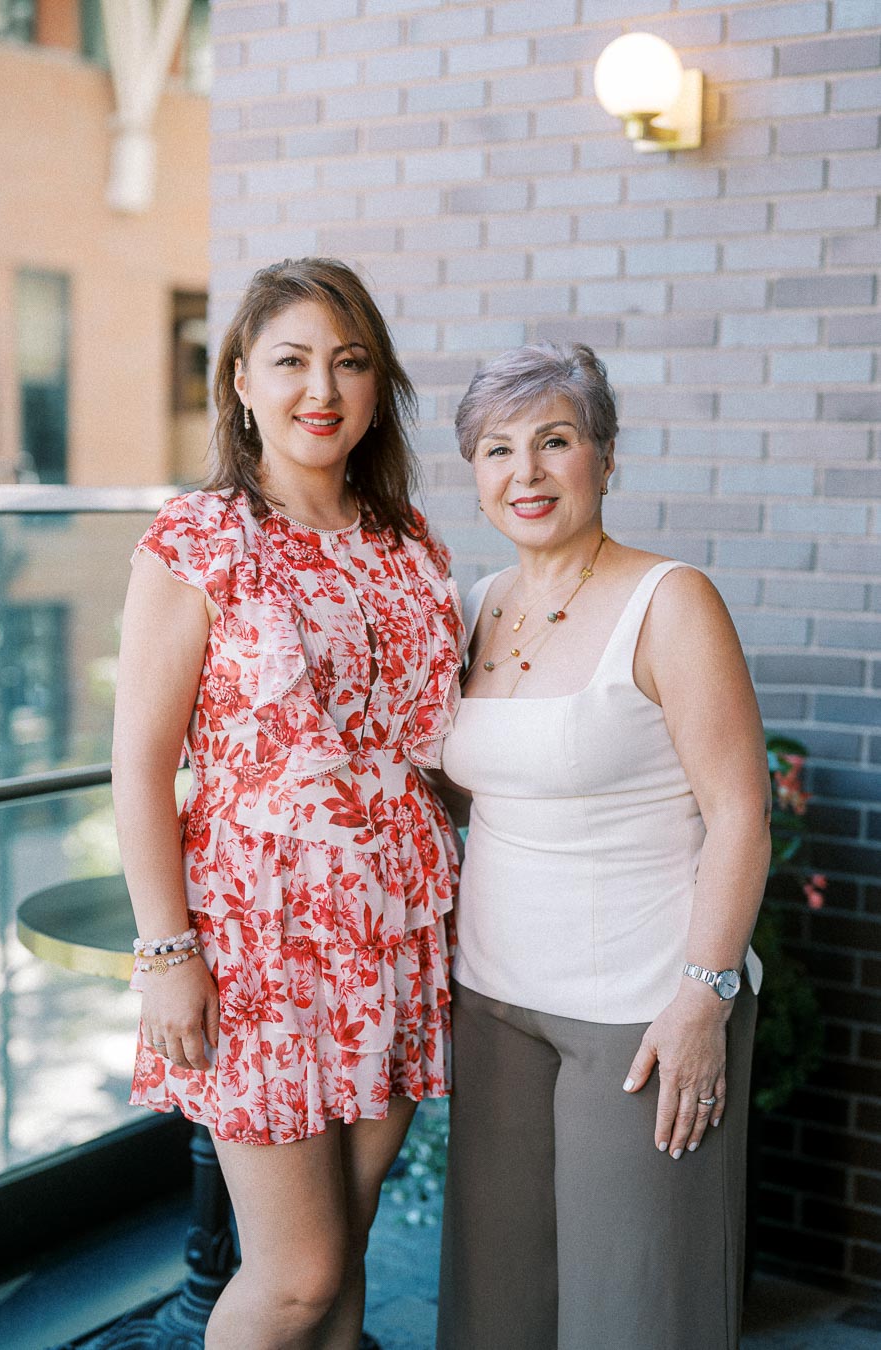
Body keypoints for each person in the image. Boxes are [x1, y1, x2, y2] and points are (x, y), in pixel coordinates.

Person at [112, 257, 463, 1350]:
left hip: (398, 925)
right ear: (242, 383)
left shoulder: (411, 544)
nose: (324, 388)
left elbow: (437, 748)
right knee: (299, 1275)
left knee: (341, 1258)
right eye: (294, 361)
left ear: (377, 386)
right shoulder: (199, 538)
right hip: (259, 934)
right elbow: (139, 760)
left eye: (350, 362)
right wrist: (169, 949)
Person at [435, 342, 771, 1350]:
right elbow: (464, 790)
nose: (524, 472)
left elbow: (742, 812)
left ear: (606, 456)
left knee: (636, 1312)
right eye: (497, 449)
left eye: (554, 440)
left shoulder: (671, 601)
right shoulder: (476, 603)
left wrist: (702, 997)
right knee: (498, 1310)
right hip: (494, 999)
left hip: (641, 1014)